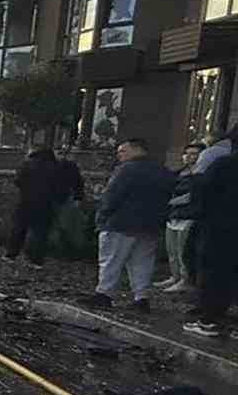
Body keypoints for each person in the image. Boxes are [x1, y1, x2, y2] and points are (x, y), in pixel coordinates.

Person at [85, 138, 174, 310]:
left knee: (111, 259)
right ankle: (141, 298)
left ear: (136, 150)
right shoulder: (161, 171)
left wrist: (102, 217)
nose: (119, 155)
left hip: (121, 222)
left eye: (122, 151)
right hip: (149, 225)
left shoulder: (126, 170)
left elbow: (112, 196)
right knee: (142, 262)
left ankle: (104, 294)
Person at [185, 148, 238, 337]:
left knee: (214, 273)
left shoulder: (225, 164)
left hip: (220, 228)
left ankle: (210, 320)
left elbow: (204, 194)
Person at [155, 141, 205, 293]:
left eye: (194, 154)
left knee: (183, 250)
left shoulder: (201, 175)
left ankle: (185, 279)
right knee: (172, 249)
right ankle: (174, 276)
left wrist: (173, 201)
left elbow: (194, 196)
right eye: (187, 153)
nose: (189, 157)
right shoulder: (178, 173)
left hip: (188, 215)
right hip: (173, 215)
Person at [5, 145, 62, 265]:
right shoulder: (56, 167)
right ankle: (36, 260)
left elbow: (17, 181)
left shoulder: (27, 164)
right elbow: (59, 186)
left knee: (19, 228)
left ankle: (11, 254)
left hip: (25, 201)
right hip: (46, 203)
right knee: (40, 232)